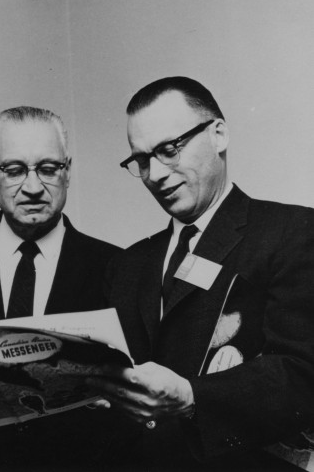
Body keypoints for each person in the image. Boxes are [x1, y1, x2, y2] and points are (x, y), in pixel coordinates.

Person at [89, 76, 314, 471]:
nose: (156, 174)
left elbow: (303, 375)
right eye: (142, 160)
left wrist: (193, 395)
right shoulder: (127, 265)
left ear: (219, 134)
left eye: (169, 150)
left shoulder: (293, 232)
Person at [0, 106, 122, 471]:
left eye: (48, 169)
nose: (32, 188)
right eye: (14, 170)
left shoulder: (118, 267)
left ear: (68, 170)